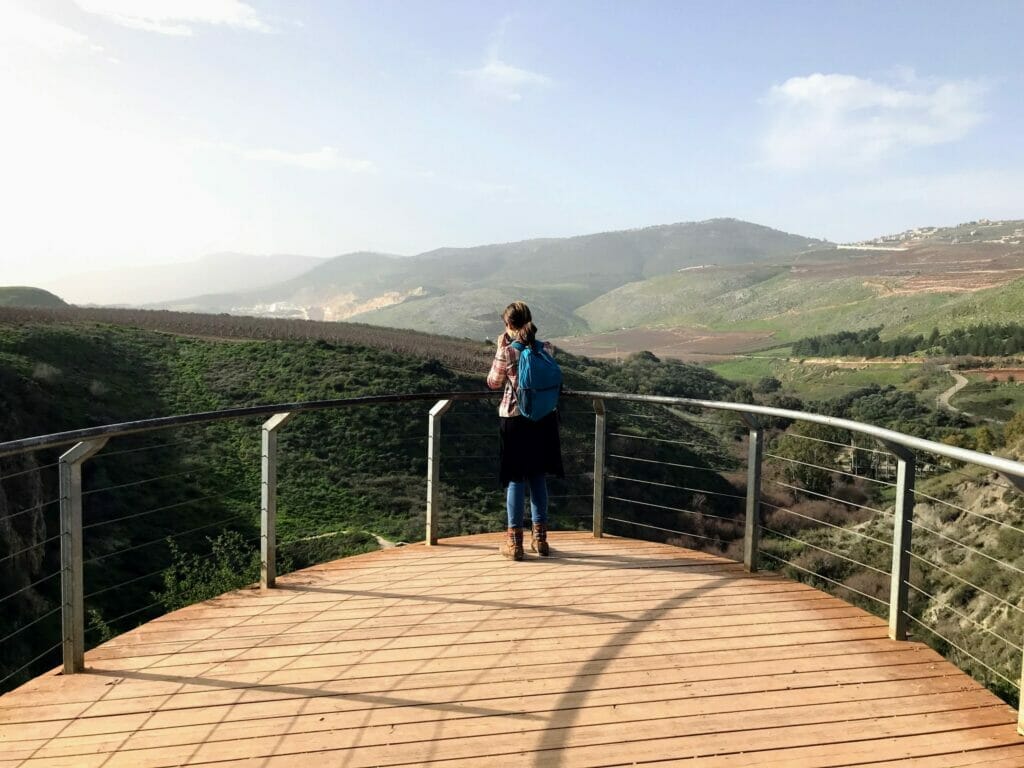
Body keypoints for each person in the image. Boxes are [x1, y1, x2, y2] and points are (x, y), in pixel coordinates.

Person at [486, 301, 564, 560]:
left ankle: (515, 543)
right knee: (537, 477)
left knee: (515, 479)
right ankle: (540, 540)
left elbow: (493, 383)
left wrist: (500, 347)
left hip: (515, 419)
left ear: (508, 324)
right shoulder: (547, 348)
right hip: (544, 419)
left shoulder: (508, 352)